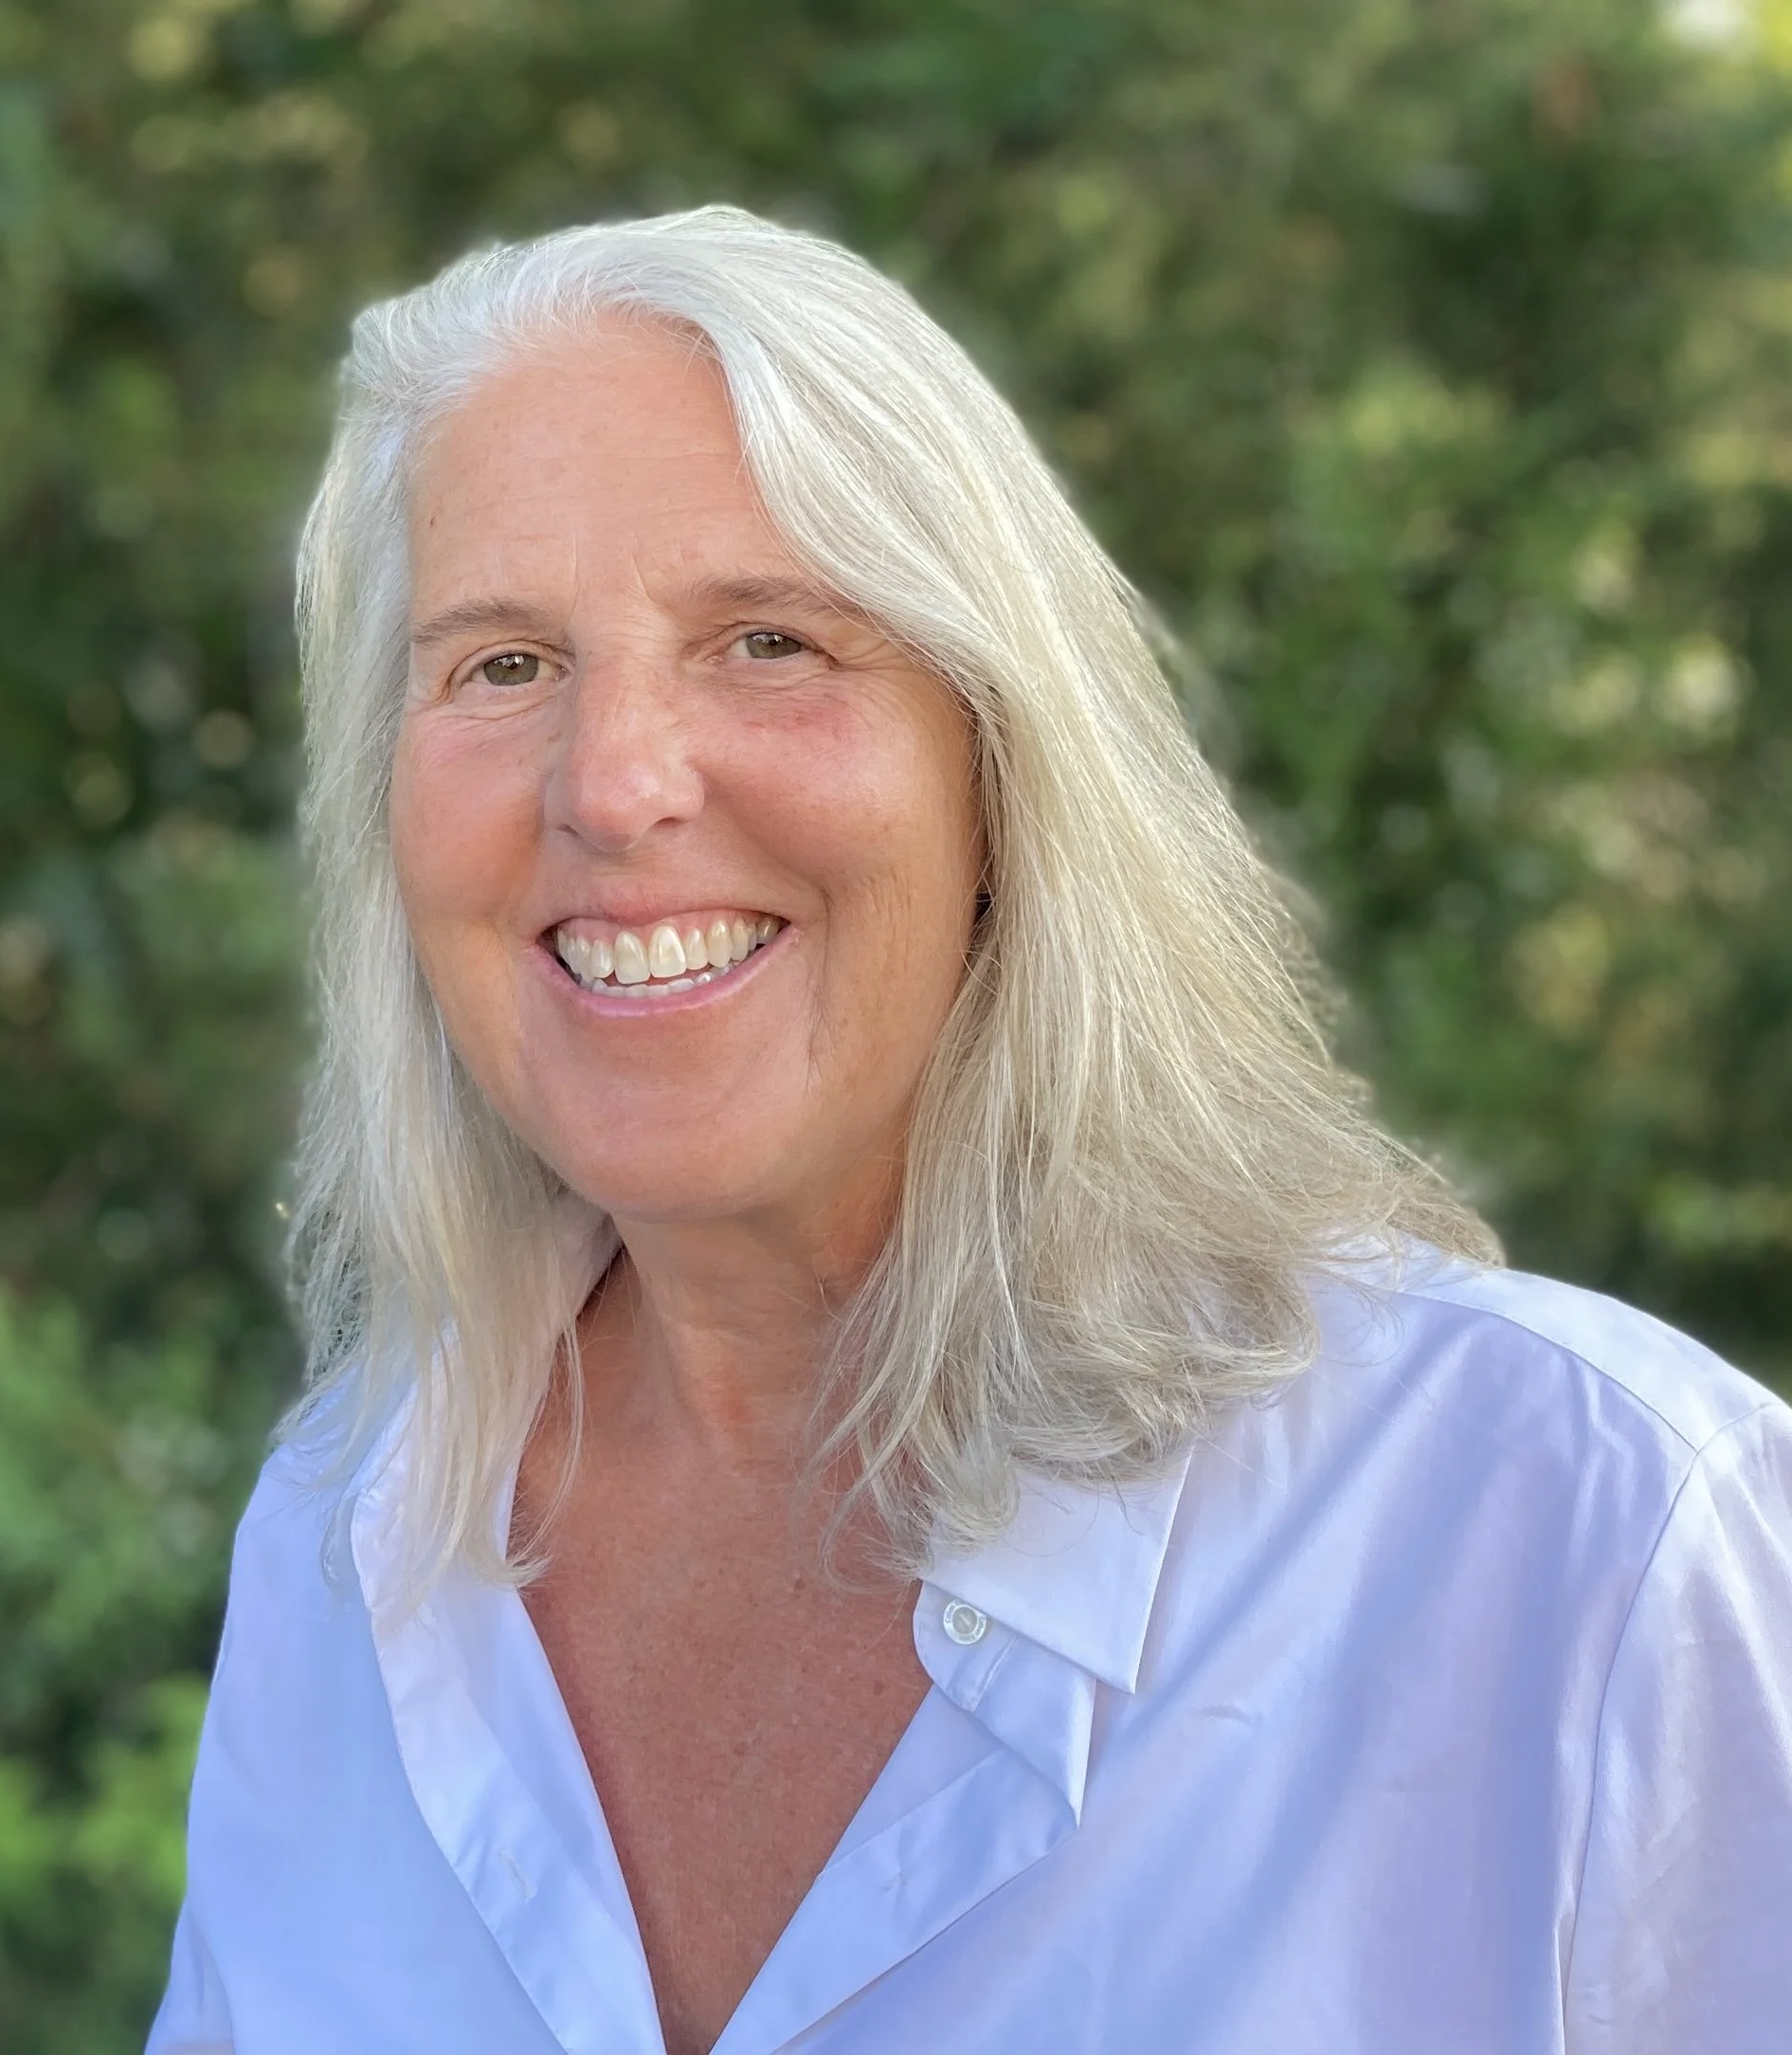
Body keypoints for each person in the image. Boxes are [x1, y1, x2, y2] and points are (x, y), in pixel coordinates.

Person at [146, 207, 1792, 2055]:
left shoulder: (1594, 1534)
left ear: (1000, 768)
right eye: (501, 665)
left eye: (765, 638)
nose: (611, 785)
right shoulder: (353, 1536)